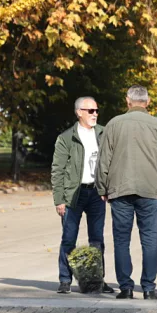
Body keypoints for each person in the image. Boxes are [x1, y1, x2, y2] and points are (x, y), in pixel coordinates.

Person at [96, 85, 157, 300]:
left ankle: (126, 288)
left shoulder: (113, 124)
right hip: (150, 189)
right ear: (147, 102)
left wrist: (102, 187)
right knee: (149, 239)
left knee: (121, 239)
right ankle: (148, 287)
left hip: (120, 189)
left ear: (128, 101)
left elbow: (104, 159)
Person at [51, 97, 114, 295]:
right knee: (68, 238)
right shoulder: (67, 137)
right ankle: (65, 279)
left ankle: (97, 281)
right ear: (79, 112)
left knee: (97, 239)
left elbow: (112, 162)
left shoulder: (104, 133)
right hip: (74, 194)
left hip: (97, 193)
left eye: (96, 110)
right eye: (90, 111)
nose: (95, 114)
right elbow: (57, 170)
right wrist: (59, 199)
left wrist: (107, 189)